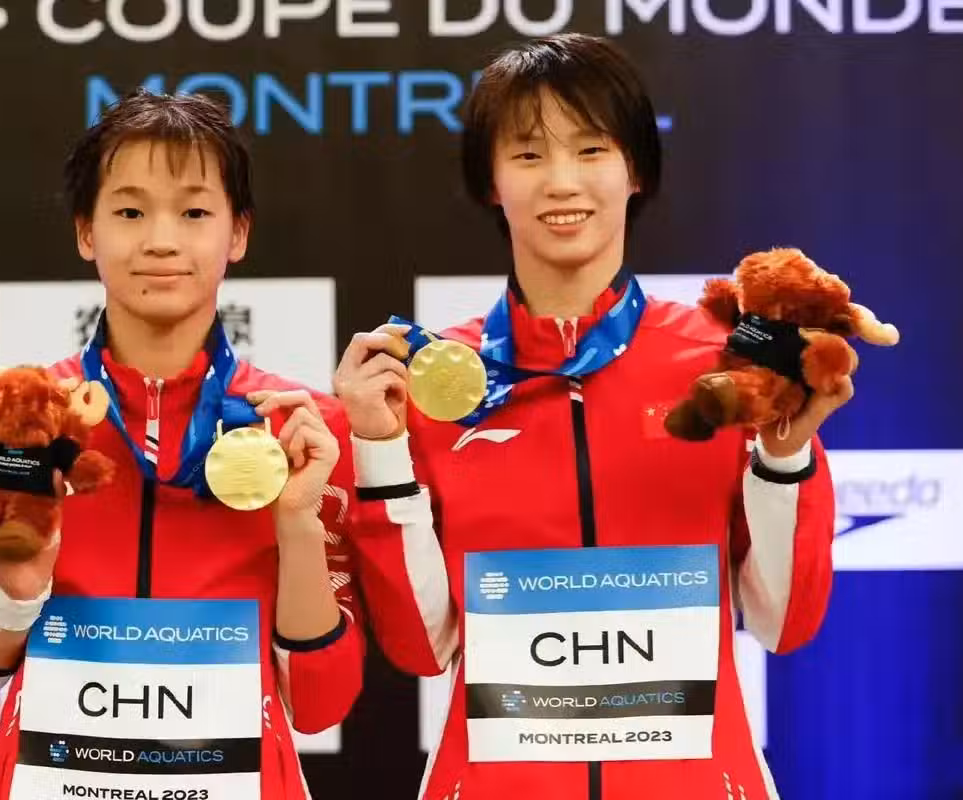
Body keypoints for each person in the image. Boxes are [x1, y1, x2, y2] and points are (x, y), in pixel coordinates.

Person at [334, 33, 841, 800]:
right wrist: (379, 453)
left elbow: (787, 622)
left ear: (635, 170)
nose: (561, 181)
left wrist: (783, 457)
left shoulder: (729, 365)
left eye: (592, 149)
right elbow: (420, 646)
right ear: (490, 182)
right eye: (529, 154)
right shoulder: (435, 383)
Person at [0, 88, 364, 800]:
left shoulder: (300, 430)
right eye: (130, 212)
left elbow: (321, 704)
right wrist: (18, 599)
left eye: (194, 213)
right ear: (86, 232)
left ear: (238, 233)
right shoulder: (17, 421)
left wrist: (296, 523)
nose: (161, 240)